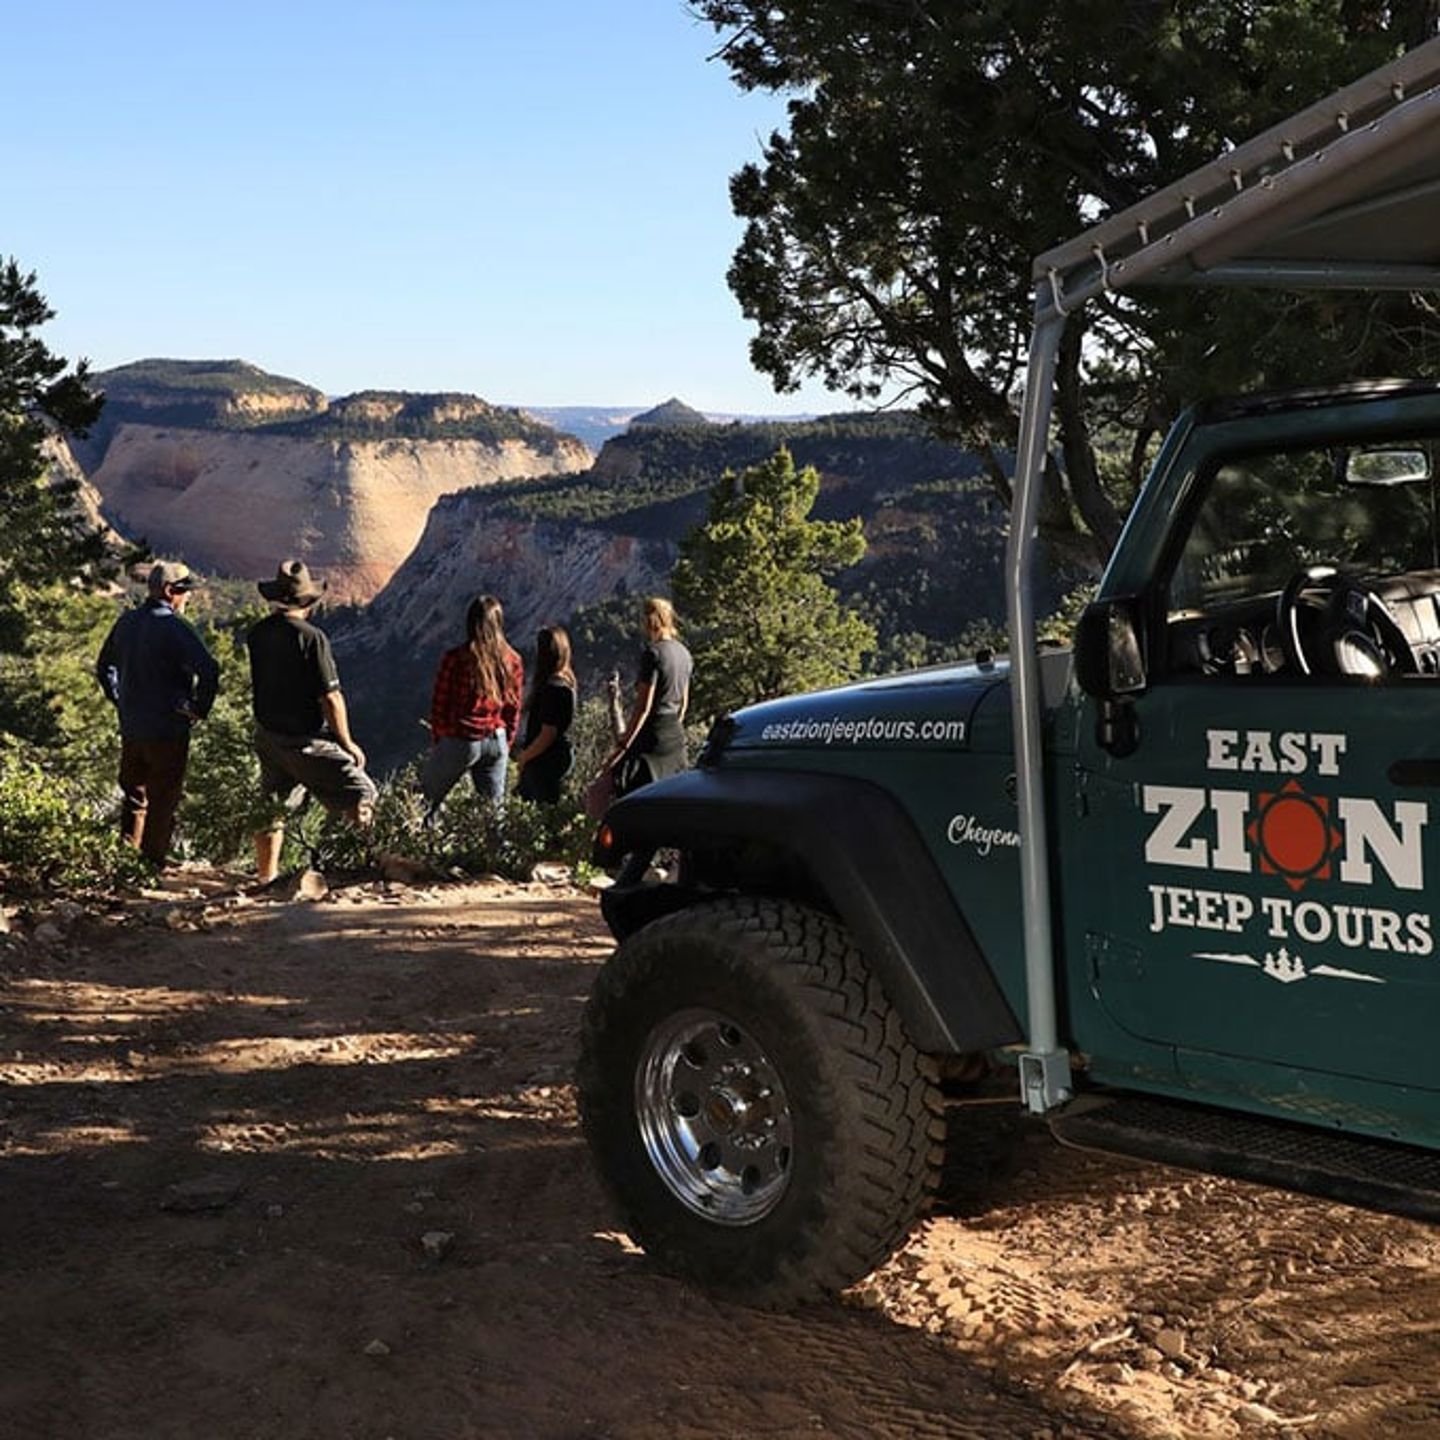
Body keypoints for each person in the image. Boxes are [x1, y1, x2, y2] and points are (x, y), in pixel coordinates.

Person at [245, 559, 376, 884]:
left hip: (268, 734)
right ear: (307, 601)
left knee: (273, 806)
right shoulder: (312, 638)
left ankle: (266, 877)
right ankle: (365, 866)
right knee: (361, 791)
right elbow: (330, 696)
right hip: (303, 739)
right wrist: (346, 741)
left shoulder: (257, 634)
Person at [95, 560, 220, 868]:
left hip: (132, 727)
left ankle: (125, 864)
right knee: (163, 799)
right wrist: (198, 709)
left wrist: (119, 698)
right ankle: (151, 867)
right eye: (184, 592)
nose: (187, 598)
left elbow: (104, 666)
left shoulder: (127, 622)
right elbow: (209, 669)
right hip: (168, 730)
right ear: (169, 591)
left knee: (134, 797)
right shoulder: (175, 627)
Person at [603, 596, 693, 883]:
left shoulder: (653, 654)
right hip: (674, 736)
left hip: (652, 735)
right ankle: (675, 867)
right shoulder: (684, 654)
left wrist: (623, 745)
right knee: (673, 803)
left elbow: (643, 707)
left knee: (636, 797)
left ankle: (631, 871)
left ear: (650, 620)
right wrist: (672, 731)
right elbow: (683, 704)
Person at [422, 594, 523, 817]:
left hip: (462, 738)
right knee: (493, 815)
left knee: (424, 802)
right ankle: (497, 852)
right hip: (497, 739)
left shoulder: (456, 658)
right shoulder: (512, 660)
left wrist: (441, 740)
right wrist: (506, 740)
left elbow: (440, 705)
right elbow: (513, 708)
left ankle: (416, 849)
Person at [515, 626, 577, 804]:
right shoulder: (567, 684)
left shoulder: (551, 689)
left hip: (543, 760)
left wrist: (525, 757)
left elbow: (547, 733)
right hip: (558, 755)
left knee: (539, 809)